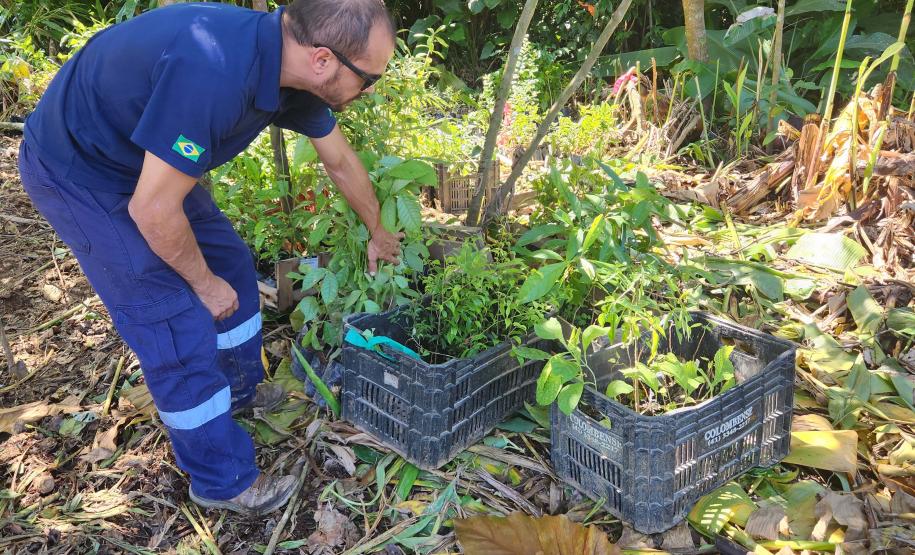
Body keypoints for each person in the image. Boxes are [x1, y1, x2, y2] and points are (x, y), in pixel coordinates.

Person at [17, 0, 402, 515]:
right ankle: (222, 481)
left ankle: (240, 390)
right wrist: (201, 284)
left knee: (234, 268)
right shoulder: (215, 73)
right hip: (81, 168)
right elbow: (154, 210)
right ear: (323, 59)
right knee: (170, 320)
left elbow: (339, 159)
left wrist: (378, 229)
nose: (370, 89)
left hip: (144, 160)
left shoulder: (289, 72)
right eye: (368, 78)